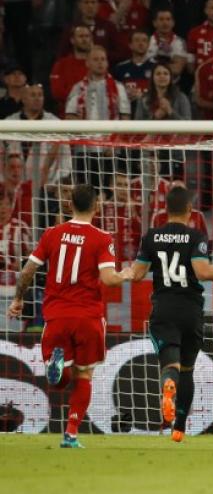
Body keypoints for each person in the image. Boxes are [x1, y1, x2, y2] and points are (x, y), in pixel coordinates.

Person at [6, 184, 132, 448]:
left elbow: (28, 271)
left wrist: (18, 299)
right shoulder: (102, 238)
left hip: (56, 315)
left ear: (69, 205)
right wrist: (126, 274)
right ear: (96, 207)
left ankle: (58, 368)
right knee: (84, 375)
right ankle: (71, 433)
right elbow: (109, 279)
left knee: (61, 382)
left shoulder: (52, 234)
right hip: (87, 316)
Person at [126, 186, 213, 442]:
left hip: (164, 307)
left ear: (165, 211)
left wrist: (117, 275)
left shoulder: (151, 236)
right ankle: (179, 427)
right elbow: (204, 272)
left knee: (170, 365)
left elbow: (137, 273)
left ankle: (167, 386)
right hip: (191, 311)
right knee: (187, 369)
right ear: (189, 210)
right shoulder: (196, 237)